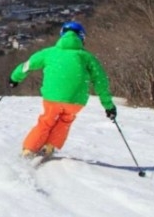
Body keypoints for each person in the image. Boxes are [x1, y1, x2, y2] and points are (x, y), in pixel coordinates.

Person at [8, 21, 117, 158]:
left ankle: (29, 149)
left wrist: (15, 78)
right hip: (76, 100)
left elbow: (28, 65)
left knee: (47, 121)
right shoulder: (87, 57)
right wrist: (108, 106)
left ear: (61, 36)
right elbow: (101, 82)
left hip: (52, 97)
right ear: (82, 38)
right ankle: (50, 146)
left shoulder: (49, 53)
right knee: (65, 121)